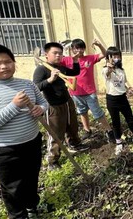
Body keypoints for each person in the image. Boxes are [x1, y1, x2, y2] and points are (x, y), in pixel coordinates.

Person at [0, 44, 48, 218]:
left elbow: (43, 102)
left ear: (14, 62)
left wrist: (40, 109)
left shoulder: (28, 85)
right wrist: (14, 106)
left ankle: (32, 206)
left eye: (8, 61)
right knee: (12, 187)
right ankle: (18, 215)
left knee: (31, 178)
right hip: (4, 150)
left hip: (32, 142)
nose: (4, 66)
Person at [33, 42, 88, 170]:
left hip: (67, 101)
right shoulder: (42, 69)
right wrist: (49, 80)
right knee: (56, 133)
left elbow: (75, 72)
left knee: (72, 125)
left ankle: (74, 145)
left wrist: (74, 61)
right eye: (55, 53)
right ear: (47, 55)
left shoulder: (60, 67)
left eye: (60, 53)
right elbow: (35, 87)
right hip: (52, 106)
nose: (58, 55)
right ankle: (52, 160)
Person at [61, 38, 111, 141]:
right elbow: (54, 62)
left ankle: (109, 130)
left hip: (89, 92)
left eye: (82, 48)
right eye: (77, 48)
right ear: (73, 49)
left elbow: (105, 54)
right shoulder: (66, 60)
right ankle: (87, 130)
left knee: (97, 113)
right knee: (82, 112)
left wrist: (99, 45)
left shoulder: (90, 58)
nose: (79, 50)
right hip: (75, 93)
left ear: (84, 49)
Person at [102, 46, 133, 156]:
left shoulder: (121, 70)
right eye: (113, 56)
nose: (116, 58)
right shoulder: (105, 69)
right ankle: (118, 142)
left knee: (130, 118)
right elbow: (107, 74)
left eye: (118, 55)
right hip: (112, 99)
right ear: (108, 57)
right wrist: (110, 68)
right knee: (116, 122)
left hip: (122, 98)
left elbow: (124, 82)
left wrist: (130, 88)